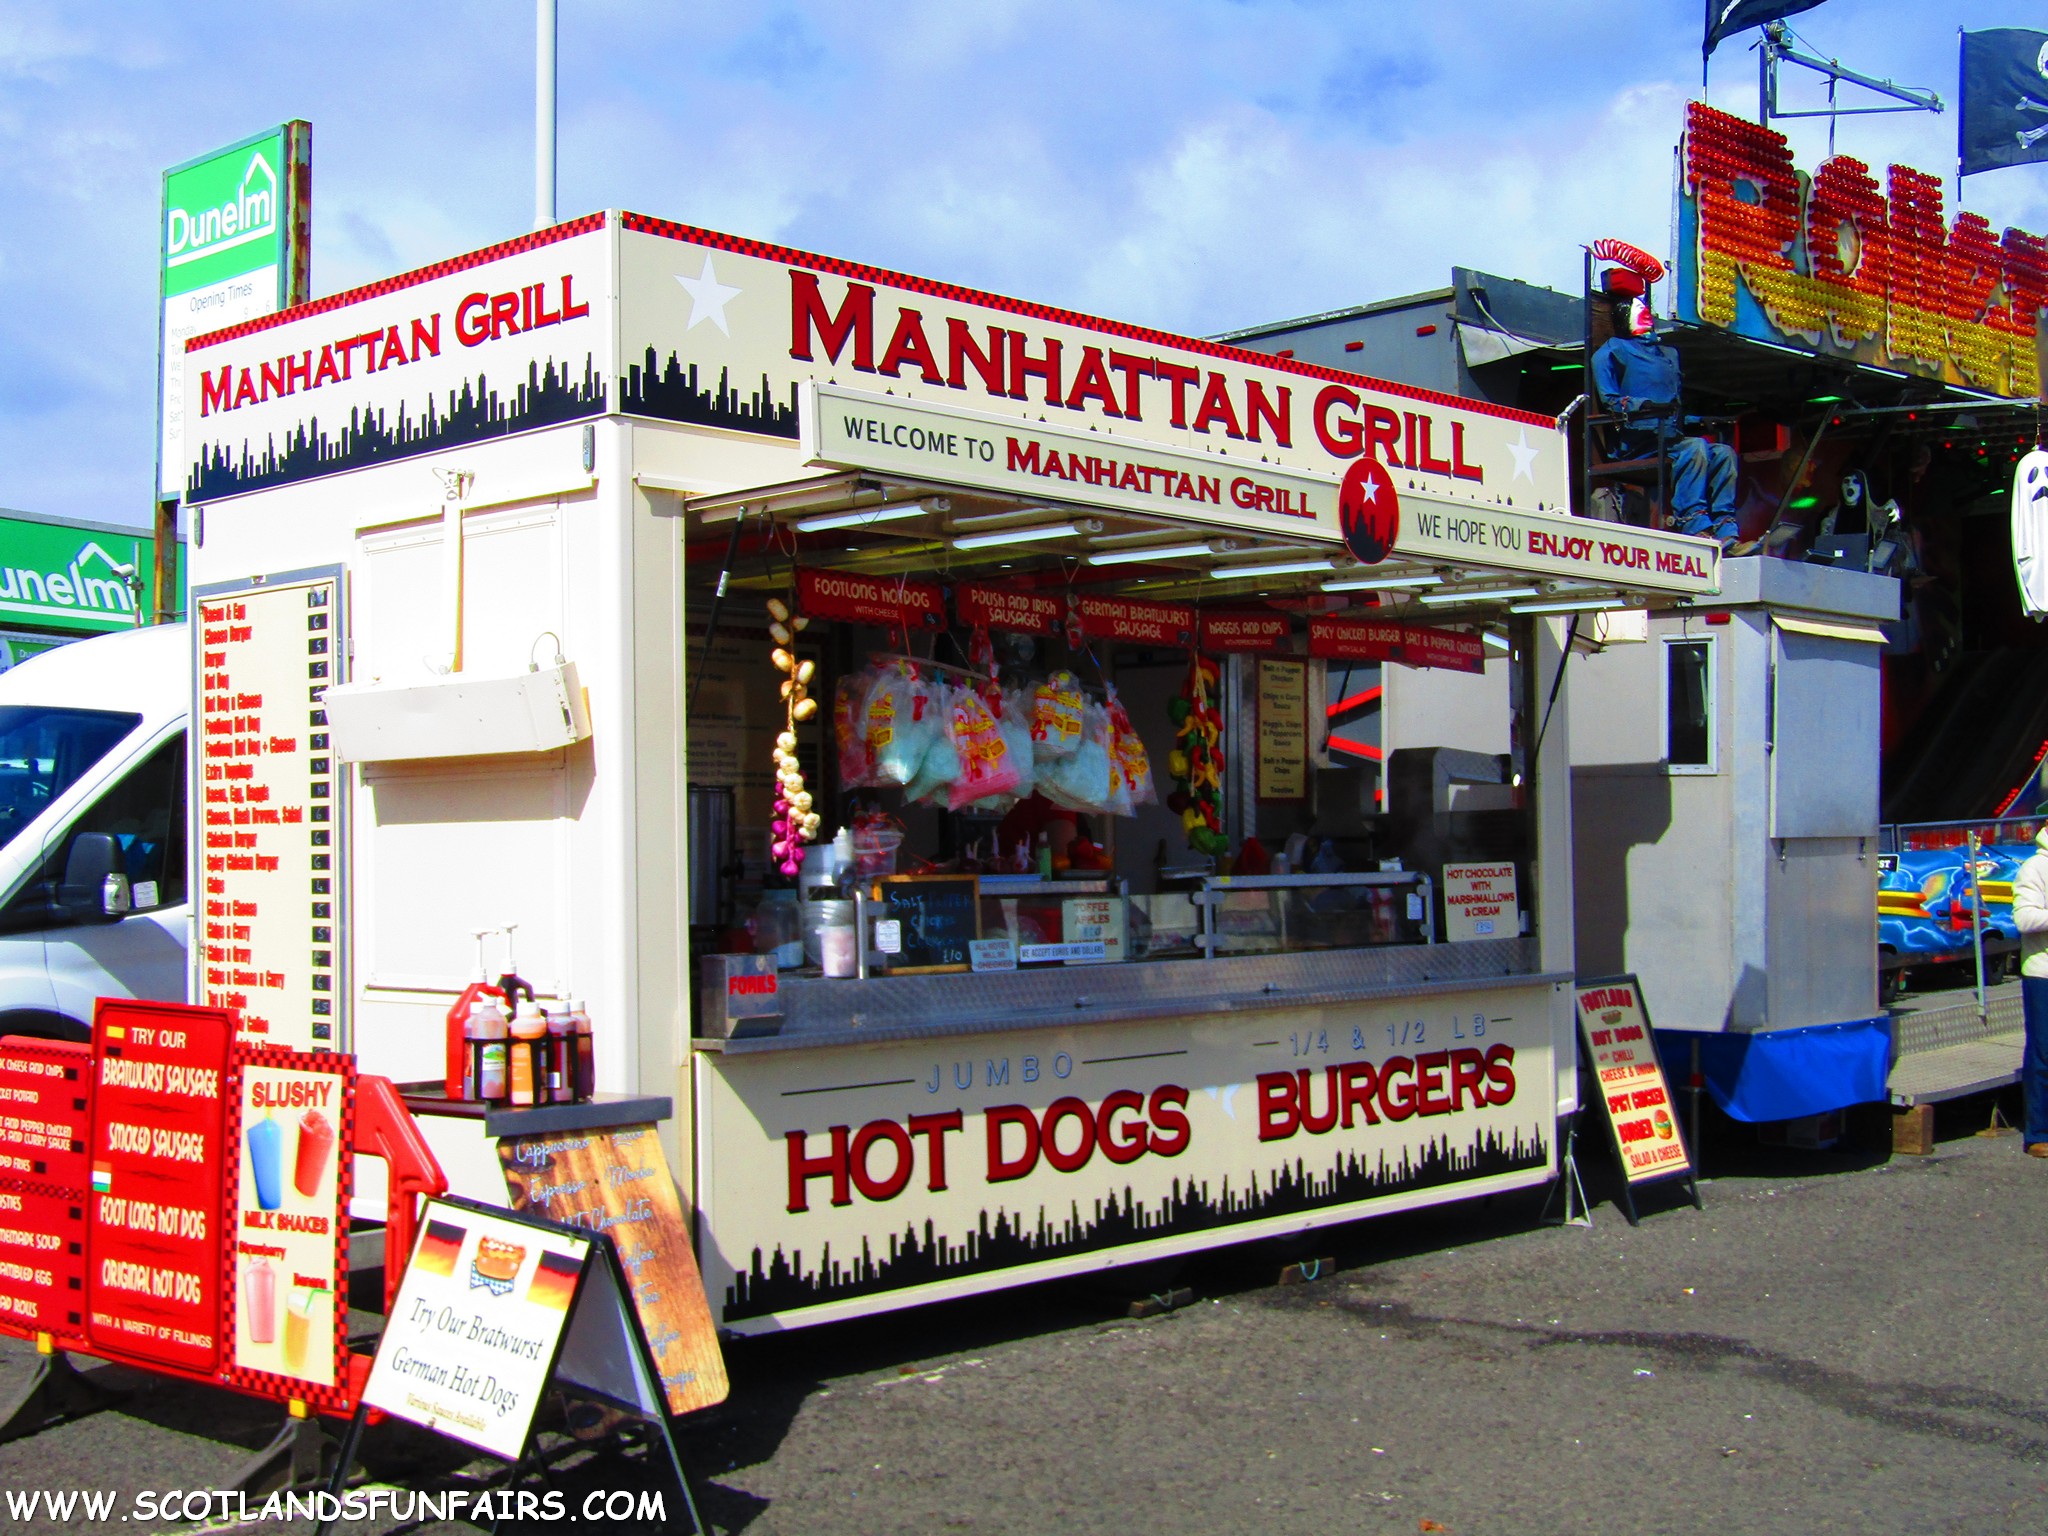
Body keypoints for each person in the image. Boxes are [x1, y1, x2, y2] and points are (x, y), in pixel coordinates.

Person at [1590, 268, 1753, 554]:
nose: (1645, 314)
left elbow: (1674, 410)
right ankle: (1692, 521)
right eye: (1636, 309)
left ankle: (1727, 529)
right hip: (1637, 442)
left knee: (1723, 453)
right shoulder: (1611, 352)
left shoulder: (1667, 354)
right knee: (1695, 448)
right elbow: (1612, 400)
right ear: (1622, 317)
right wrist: (1644, 406)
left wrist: (1699, 420)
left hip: (1669, 435)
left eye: (1645, 309)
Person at [2009, 824, 2048, 1156]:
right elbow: (2024, 920)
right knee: (2044, 1054)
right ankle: (2038, 1133)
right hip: (2043, 975)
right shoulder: (2034, 867)